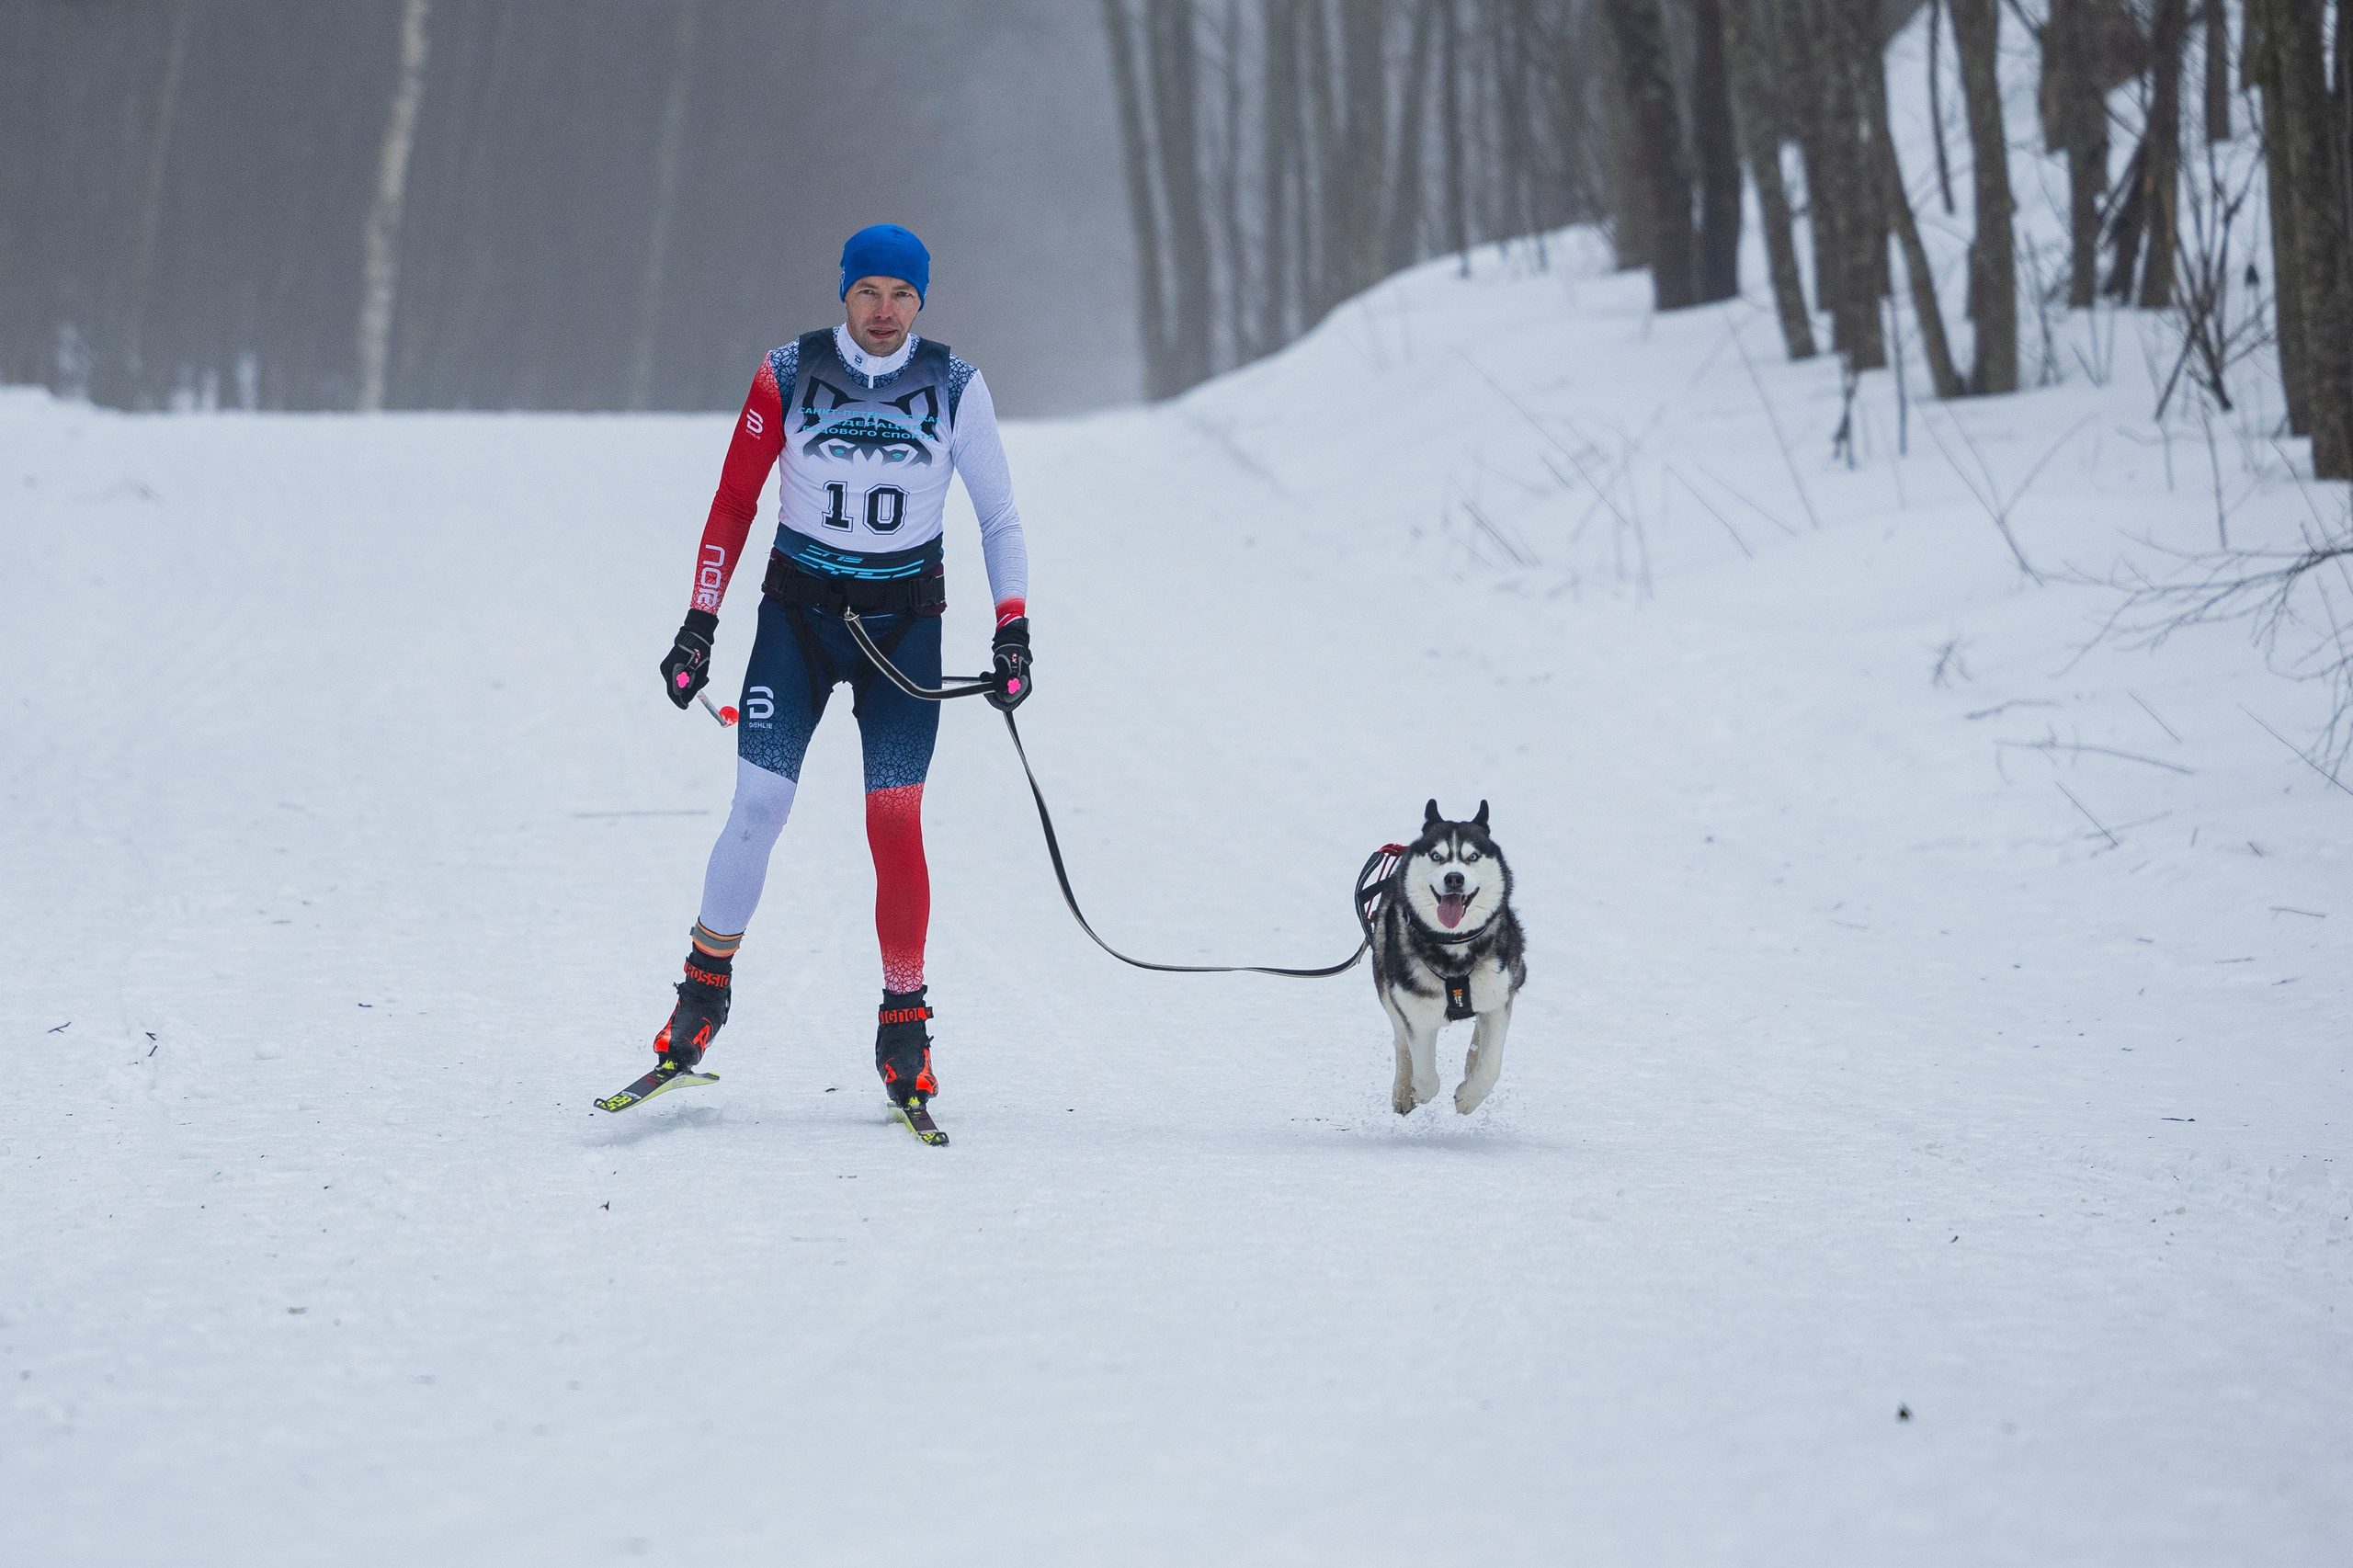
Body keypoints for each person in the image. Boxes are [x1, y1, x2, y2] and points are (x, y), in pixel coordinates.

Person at [651, 223, 1032, 1114]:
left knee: (894, 820)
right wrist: (698, 624)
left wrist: (1012, 631)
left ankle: (904, 1022)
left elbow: (1000, 518)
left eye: (903, 295)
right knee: (759, 803)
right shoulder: (787, 371)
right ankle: (704, 988)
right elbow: (734, 500)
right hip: (798, 618)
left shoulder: (957, 384)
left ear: (922, 301)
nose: (885, 311)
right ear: (843, 294)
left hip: (907, 627)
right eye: (869, 292)